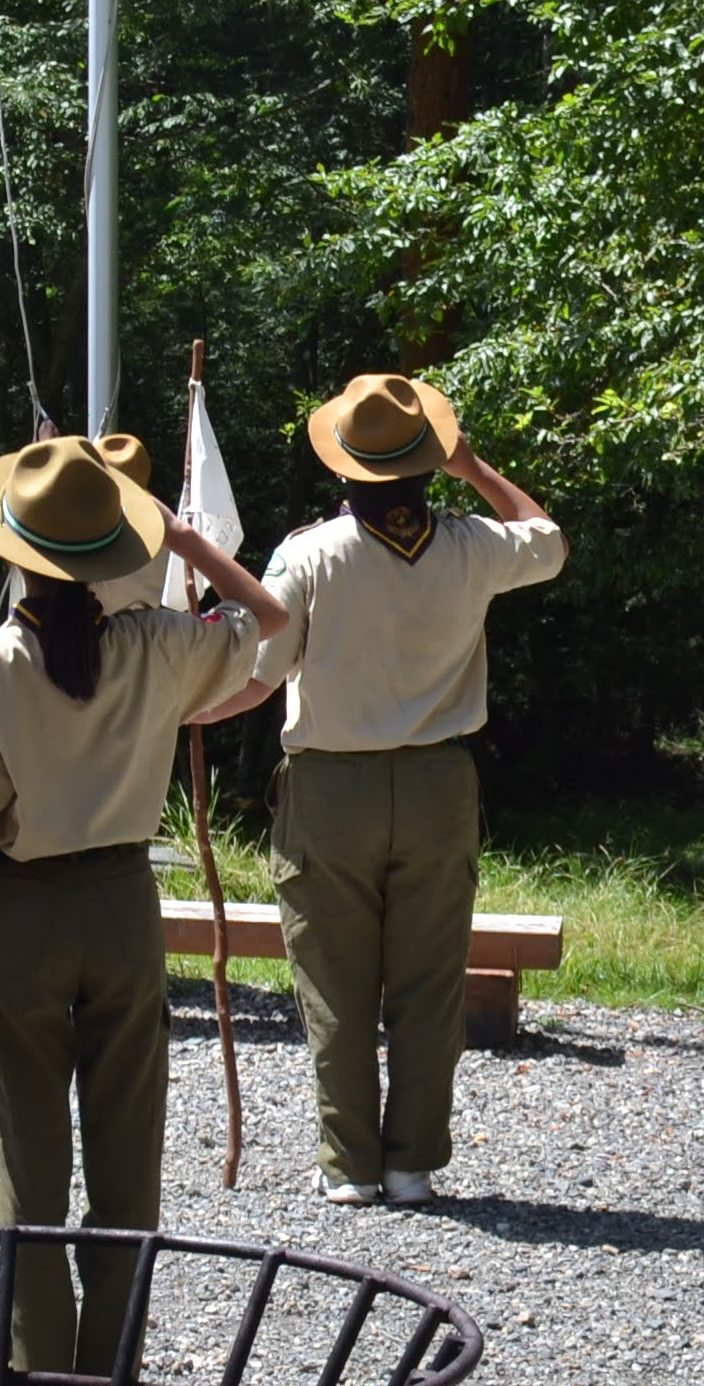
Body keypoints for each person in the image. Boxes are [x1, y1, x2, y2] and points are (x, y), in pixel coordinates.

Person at [0, 432, 288, 1369]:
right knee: (129, 1155)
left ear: (14, 550)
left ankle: (41, 1361)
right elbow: (272, 619)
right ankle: (109, 1359)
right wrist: (186, 542)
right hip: (125, 908)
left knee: (28, 1159)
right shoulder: (159, 646)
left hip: (26, 913)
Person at [252, 370, 565, 1208]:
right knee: (429, 982)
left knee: (334, 980)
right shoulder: (472, 544)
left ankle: (348, 1163)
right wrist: (475, 468)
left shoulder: (308, 553)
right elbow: (548, 537)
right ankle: (411, 1162)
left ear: (344, 470)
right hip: (438, 782)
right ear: (432, 463)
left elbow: (260, 666)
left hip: (329, 785)